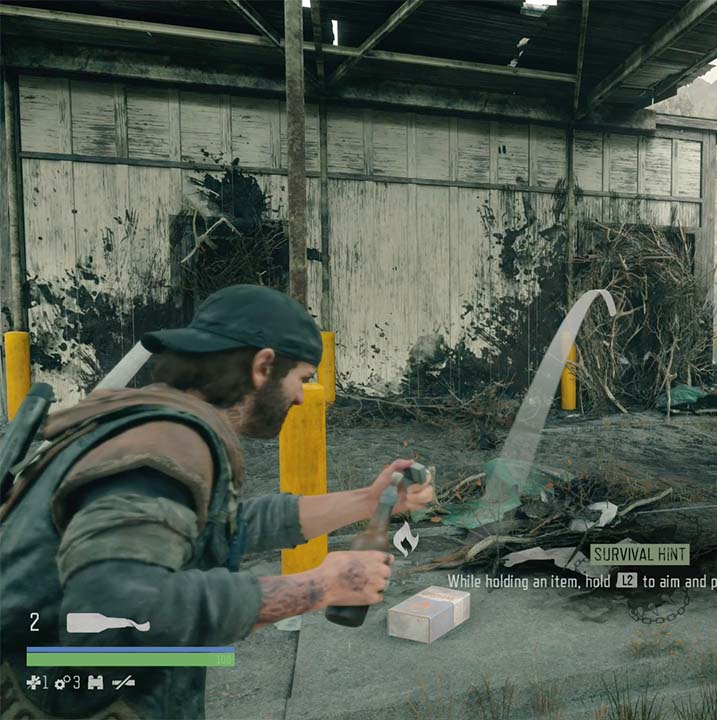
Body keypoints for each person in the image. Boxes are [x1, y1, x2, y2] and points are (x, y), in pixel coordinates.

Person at [0, 285, 435, 719]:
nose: (302, 397)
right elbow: (114, 612)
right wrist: (317, 587)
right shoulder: (164, 443)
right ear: (263, 366)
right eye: (302, 379)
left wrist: (368, 500)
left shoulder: (149, 423)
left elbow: (218, 527)